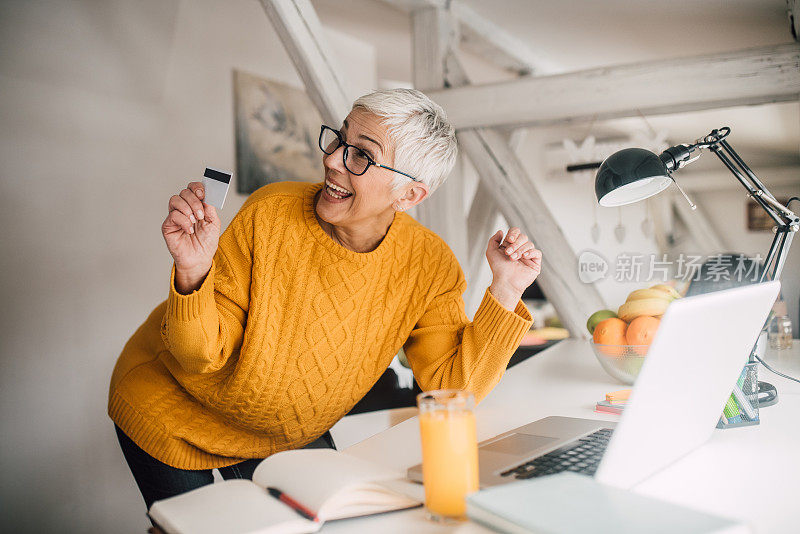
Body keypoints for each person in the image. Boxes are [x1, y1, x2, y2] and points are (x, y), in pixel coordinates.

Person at [108, 88, 542, 511]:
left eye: (361, 155)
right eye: (340, 138)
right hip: (172, 412)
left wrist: (506, 288)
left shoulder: (430, 266)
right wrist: (193, 269)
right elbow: (197, 355)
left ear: (409, 194)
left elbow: (453, 390)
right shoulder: (270, 214)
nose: (332, 160)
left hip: (288, 434)